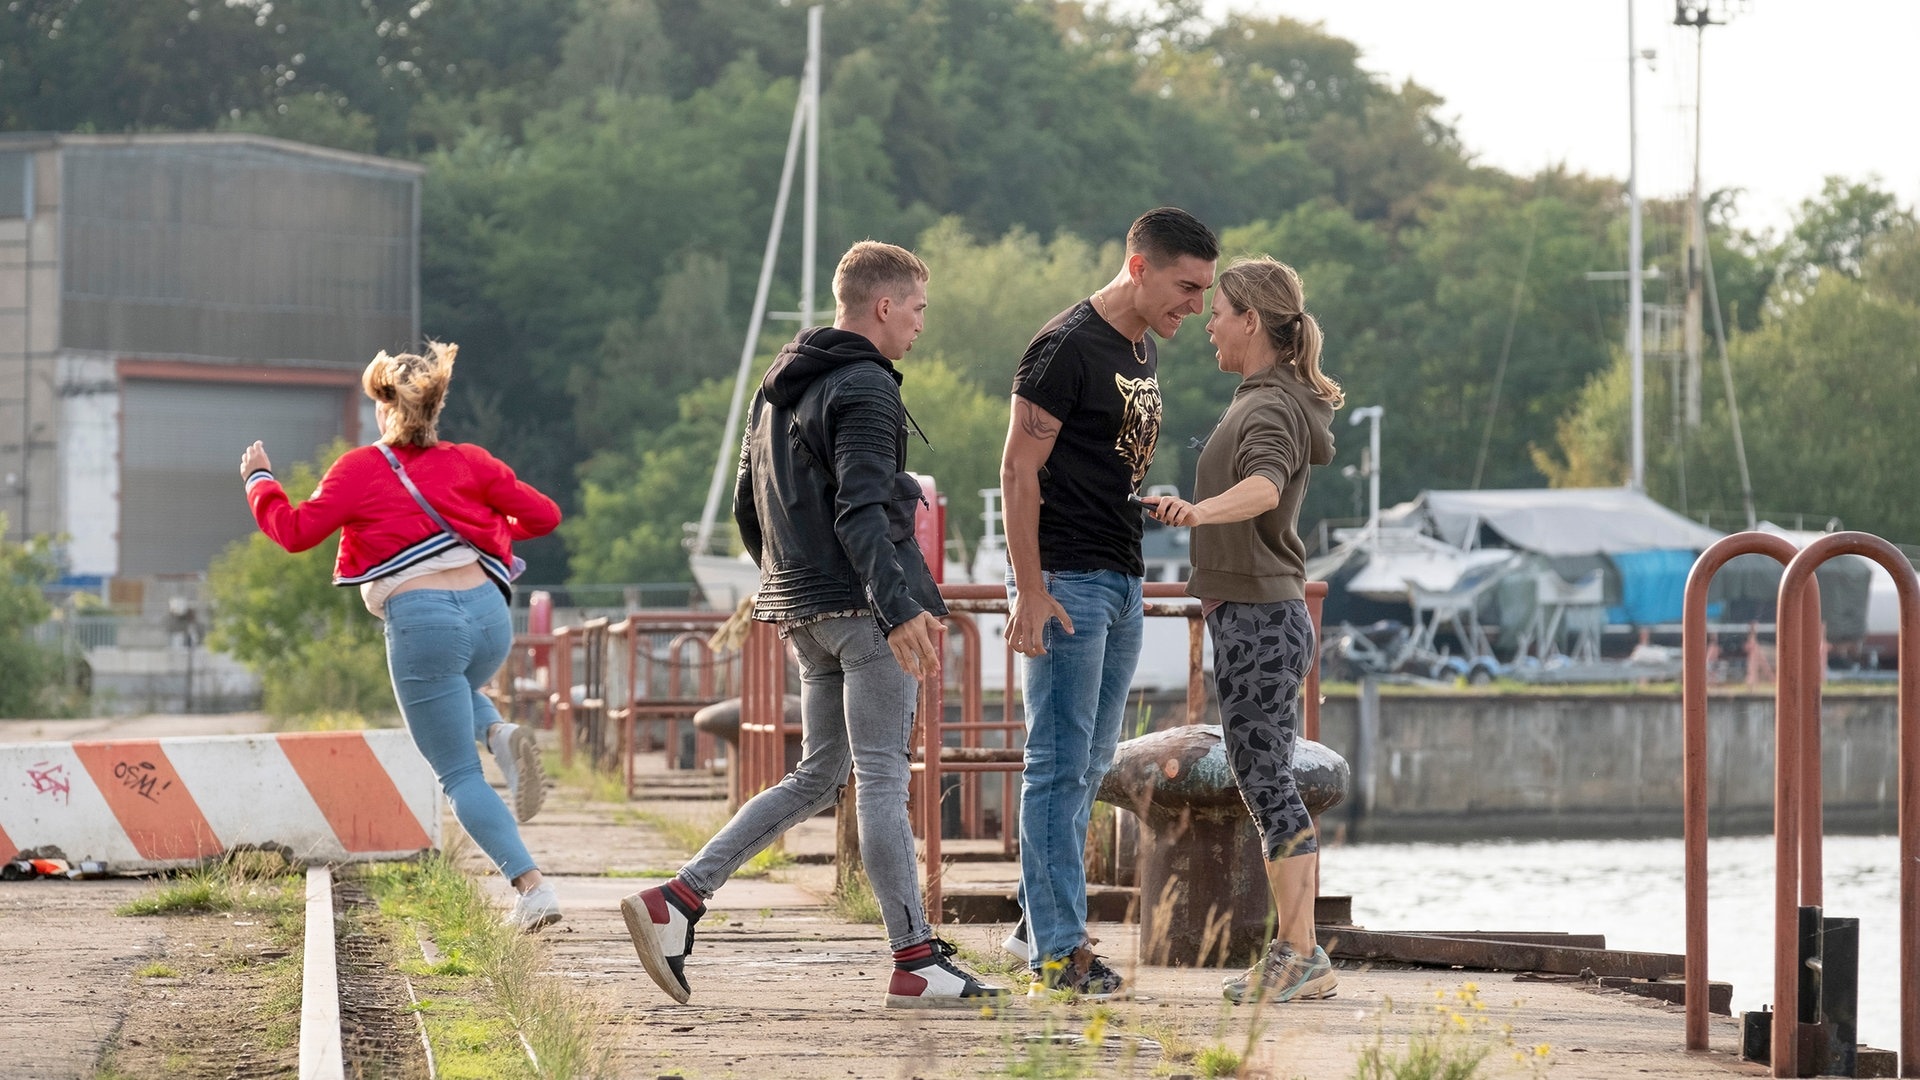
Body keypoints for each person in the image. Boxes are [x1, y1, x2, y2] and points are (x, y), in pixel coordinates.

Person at [620, 241, 1005, 1010]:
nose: (923, 327)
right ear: (884, 306)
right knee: (883, 783)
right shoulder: (866, 387)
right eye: (919, 310)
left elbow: (745, 508)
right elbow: (862, 510)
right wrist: (896, 610)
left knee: (819, 774)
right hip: (865, 615)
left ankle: (679, 899)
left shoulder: (775, 389)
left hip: (802, 612)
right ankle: (915, 959)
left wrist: (792, 587)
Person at [241, 342, 563, 931]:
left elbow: (293, 532)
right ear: (433, 409)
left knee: (457, 775)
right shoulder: (471, 461)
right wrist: (491, 529)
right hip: (491, 614)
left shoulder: (360, 469)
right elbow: (544, 516)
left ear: (382, 408)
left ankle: (531, 887)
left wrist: (260, 479)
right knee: (459, 694)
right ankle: (496, 728)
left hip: (424, 623)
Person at [1000, 207, 1219, 999]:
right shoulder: (1065, 347)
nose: (1194, 307)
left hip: (1121, 576)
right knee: (1058, 767)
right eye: (1184, 288)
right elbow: (1018, 472)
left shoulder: (1141, 347)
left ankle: (1037, 922)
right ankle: (1058, 953)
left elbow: (1099, 459)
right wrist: (1029, 590)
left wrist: (1139, 498)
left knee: (1090, 765)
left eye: (1202, 293)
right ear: (1138, 265)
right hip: (1066, 581)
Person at [1142, 257, 1342, 1003]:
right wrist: (1192, 509)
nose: (1209, 326)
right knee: (1266, 784)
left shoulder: (1266, 408)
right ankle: (1299, 951)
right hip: (1256, 616)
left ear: (1251, 321)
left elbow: (1261, 488)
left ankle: (1300, 954)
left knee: (1268, 786)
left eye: (1219, 312)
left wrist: (1200, 511)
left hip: (1260, 619)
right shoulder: (1269, 397)